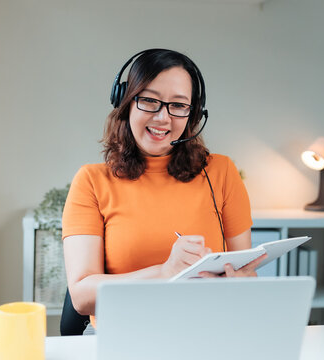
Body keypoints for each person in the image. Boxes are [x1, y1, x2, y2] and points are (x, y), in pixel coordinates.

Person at [61, 49, 265, 333]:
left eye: (178, 105)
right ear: (125, 102)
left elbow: (244, 271)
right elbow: (82, 297)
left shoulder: (222, 172)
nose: (163, 118)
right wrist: (166, 272)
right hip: (122, 335)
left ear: (192, 113)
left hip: (208, 330)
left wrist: (242, 282)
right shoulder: (91, 181)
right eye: (149, 100)